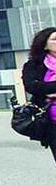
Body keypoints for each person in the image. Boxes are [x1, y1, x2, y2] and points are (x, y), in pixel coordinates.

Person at [21, 27, 56, 163]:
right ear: (45, 44)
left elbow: (41, 87)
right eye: (54, 39)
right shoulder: (33, 66)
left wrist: (49, 90)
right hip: (52, 123)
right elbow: (32, 87)